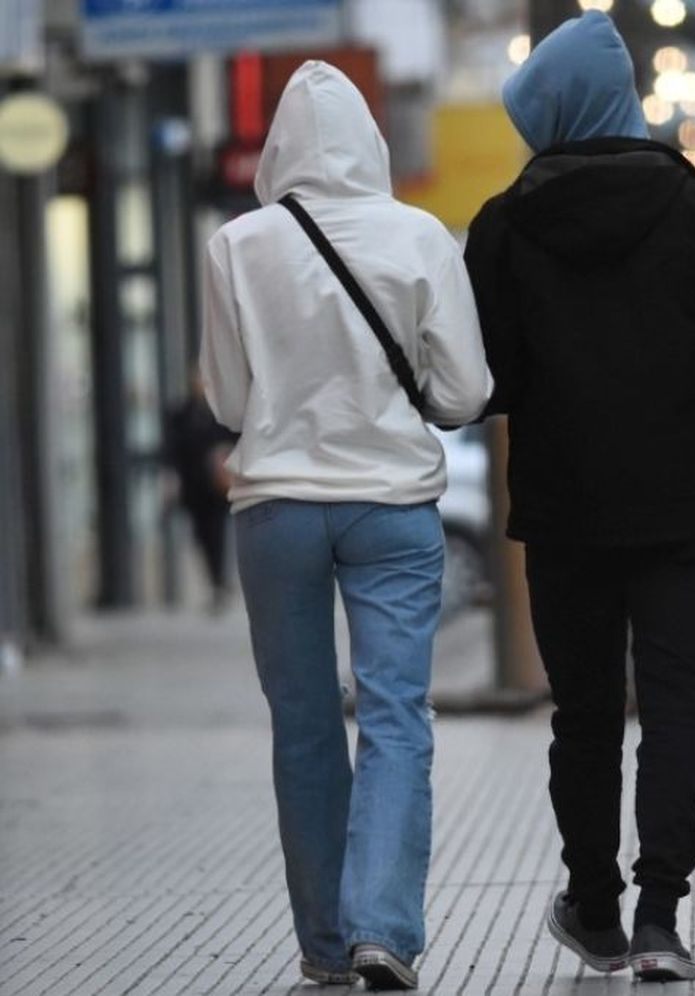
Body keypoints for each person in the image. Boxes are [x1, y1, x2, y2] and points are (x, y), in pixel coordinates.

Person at [463, 12, 695, 984]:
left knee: (586, 713)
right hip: (688, 503)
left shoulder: (505, 226)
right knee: (677, 706)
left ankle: (592, 907)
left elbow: (491, 378)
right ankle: (660, 918)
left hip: (565, 506)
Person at [200, 61, 492, 991]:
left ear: (281, 147)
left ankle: (325, 947)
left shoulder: (236, 245)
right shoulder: (419, 235)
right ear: (368, 140)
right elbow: (466, 390)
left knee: (303, 724)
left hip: (276, 507)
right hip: (394, 507)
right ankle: (384, 934)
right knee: (399, 715)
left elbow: (228, 399)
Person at [163, 375, 236, 612]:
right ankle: (215, 582)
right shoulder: (181, 414)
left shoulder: (221, 413)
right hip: (193, 489)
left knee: (218, 535)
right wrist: (171, 479)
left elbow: (234, 441)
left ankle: (220, 583)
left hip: (217, 488)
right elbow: (171, 450)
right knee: (201, 537)